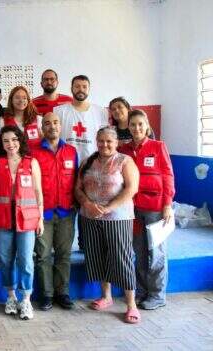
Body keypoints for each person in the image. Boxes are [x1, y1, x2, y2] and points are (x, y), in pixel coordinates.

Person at [75, 127, 141, 324]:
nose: (104, 145)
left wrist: (109, 207)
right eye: (101, 141)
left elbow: (132, 188)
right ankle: (106, 296)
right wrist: (87, 203)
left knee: (122, 258)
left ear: (116, 143)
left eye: (109, 142)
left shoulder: (125, 161)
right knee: (98, 256)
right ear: (96, 141)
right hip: (90, 217)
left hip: (118, 218)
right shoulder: (88, 161)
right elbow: (78, 188)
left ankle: (131, 305)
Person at [118, 110, 175, 311]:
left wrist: (167, 204)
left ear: (147, 126)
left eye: (140, 124)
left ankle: (157, 295)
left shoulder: (158, 147)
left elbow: (168, 176)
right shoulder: (123, 150)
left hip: (156, 209)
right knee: (140, 252)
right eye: (132, 124)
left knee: (156, 253)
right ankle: (142, 292)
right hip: (133, 210)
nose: (136, 128)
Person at [0, 125, 44, 320]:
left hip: (27, 219)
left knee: (26, 260)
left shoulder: (31, 163)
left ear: (20, 140)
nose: (10, 144)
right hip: (2, 219)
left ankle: (26, 300)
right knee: (5, 260)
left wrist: (41, 218)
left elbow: (38, 192)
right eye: (6, 141)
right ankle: (11, 297)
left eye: (14, 139)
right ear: (1, 144)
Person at [30, 113, 78, 311]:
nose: (52, 126)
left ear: (61, 126)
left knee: (64, 254)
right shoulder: (33, 152)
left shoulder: (71, 151)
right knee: (42, 256)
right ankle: (47, 294)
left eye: (55, 123)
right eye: (47, 123)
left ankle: (62, 292)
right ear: (42, 128)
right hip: (43, 214)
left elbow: (77, 180)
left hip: (66, 212)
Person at [54, 75, 108, 161]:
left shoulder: (101, 112)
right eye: (77, 86)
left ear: (89, 89)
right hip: (65, 162)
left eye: (84, 87)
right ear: (71, 88)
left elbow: (106, 138)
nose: (81, 89)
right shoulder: (59, 111)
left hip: (93, 162)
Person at [0, 86, 42, 150]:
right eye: (17, 98)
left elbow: (45, 144)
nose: (21, 100)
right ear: (11, 100)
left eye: (24, 98)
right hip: (12, 159)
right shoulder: (2, 123)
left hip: (36, 159)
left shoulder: (39, 120)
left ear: (28, 100)